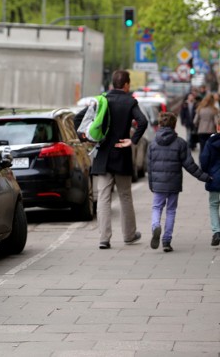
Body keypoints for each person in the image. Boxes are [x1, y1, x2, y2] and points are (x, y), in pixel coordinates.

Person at [76, 69, 148, 249]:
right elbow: (143, 121)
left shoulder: (102, 100)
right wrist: (132, 140)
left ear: (112, 84)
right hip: (121, 154)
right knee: (125, 196)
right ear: (126, 85)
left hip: (103, 155)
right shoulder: (130, 102)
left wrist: (86, 138)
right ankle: (129, 235)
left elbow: (78, 118)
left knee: (103, 197)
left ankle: (104, 238)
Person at [147, 112, 210, 253]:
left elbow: (149, 167)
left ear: (159, 125)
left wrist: (152, 184)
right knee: (171, 210)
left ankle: (155, 225)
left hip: (158, 183)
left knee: (157, 207)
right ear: (175, 125)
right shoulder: (180, 143)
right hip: (174, 183)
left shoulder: (152, 144)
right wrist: (204, 177)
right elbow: (189, 165)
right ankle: (166, 241)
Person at [199, 114, 220, 247]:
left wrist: (206, 173)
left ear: (218, 127)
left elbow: (204, 160)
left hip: (214, 179)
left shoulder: (210, 142)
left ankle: (217, 232)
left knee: (213, 205)